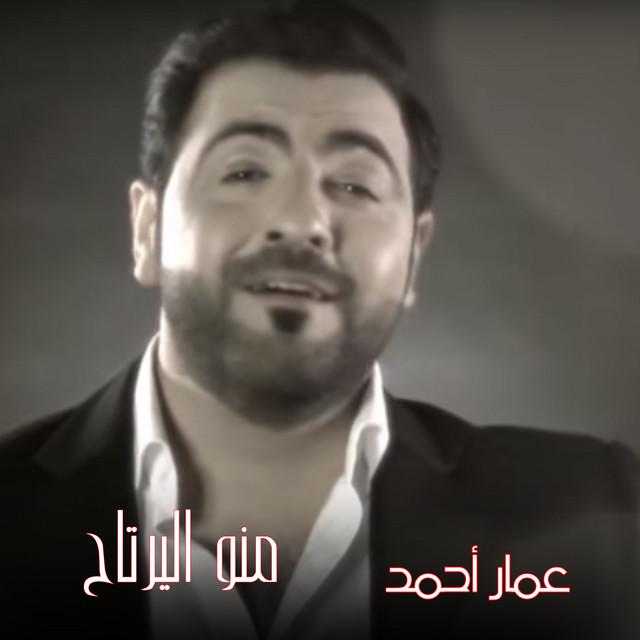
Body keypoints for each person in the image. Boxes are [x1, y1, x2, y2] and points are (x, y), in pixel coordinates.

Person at [0, 2, 638, 639]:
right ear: (147, 229)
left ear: (413, 257)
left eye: (355, 186)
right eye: (245, 171)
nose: (301, 221)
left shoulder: (601, 517)